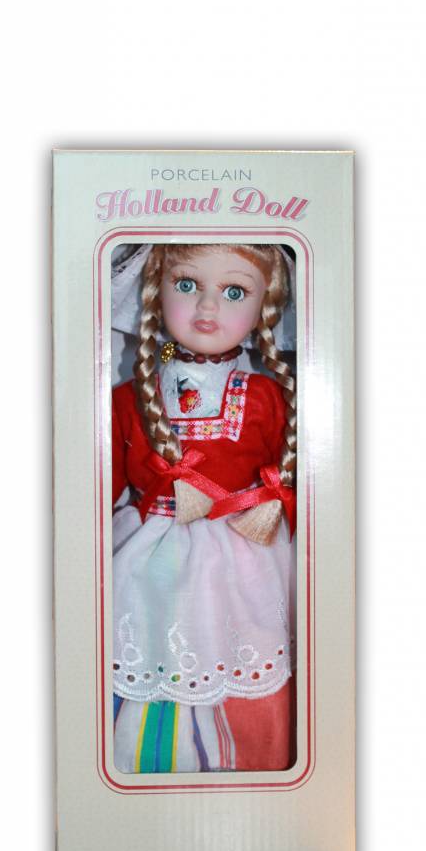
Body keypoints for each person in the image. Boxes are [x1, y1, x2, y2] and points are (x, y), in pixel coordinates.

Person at [111, 243, 297, 772]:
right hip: (151, 554)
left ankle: (250, 769)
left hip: (244, 556)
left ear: (264, 307)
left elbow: (297, 480)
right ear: (156, 293)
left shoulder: (267, 396)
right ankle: (151, 768)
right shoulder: (128, 399)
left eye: (234, 291)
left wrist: (273, 505)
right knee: (147, 646)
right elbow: (102, 485)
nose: (208, 306)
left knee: (251, 651)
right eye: (187, 285)